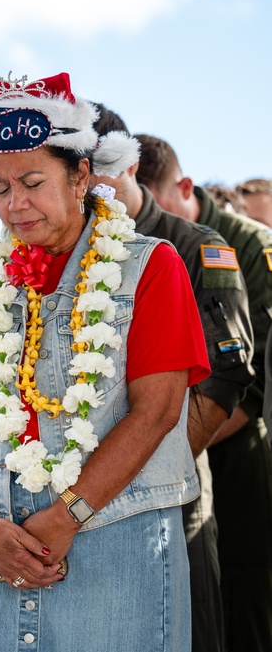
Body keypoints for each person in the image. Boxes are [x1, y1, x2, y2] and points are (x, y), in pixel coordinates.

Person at [0, 72, 210, 651]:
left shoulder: (151, 267)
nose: (15, 205)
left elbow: (158, 413)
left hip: (117, 547)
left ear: (82, 174)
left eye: (33, 182)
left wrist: (63, 519)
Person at [91, 103, 255, 651]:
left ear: (131, 165)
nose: (89, 188)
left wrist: (126, 479)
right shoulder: (63, 255)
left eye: (100, 171)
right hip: (82, 512)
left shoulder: (197, 247)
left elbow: (225, 379)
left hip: (170, 503)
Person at [136, 133, 272, 652]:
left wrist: (151, 456)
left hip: (237, 446)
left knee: (246, 595)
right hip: (174, 454)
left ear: (181, 188)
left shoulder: (239, 243)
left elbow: (245, 379)